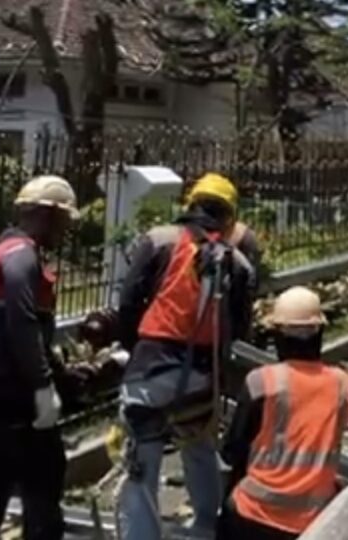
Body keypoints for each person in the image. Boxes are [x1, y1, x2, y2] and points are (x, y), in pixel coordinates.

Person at [115, 173, 256, 540]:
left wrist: (137, 352)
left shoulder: (158, 240)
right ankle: (207, 527)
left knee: (141, 463)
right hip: (203, 379)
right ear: (229, 218)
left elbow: (128, 304)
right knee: (200, 448)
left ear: (190, 203)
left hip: (151, 367)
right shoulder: (238, 263)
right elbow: (240, 331)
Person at [0, 175, 79, 540]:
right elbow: (21, 323)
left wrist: (55, 367)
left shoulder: (1, 250)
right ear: (46, 215)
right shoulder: (20, 257)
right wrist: (43, 385)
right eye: (63, 221)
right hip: (9, 387)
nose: (65, 230)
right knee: (44, 469)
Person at [217, 286, 348, 540]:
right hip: (315, 514)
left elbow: (233, 449)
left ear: (277, 335)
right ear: (320, 332)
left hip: (256, 512)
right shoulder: (341, 384)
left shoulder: (262, 382)